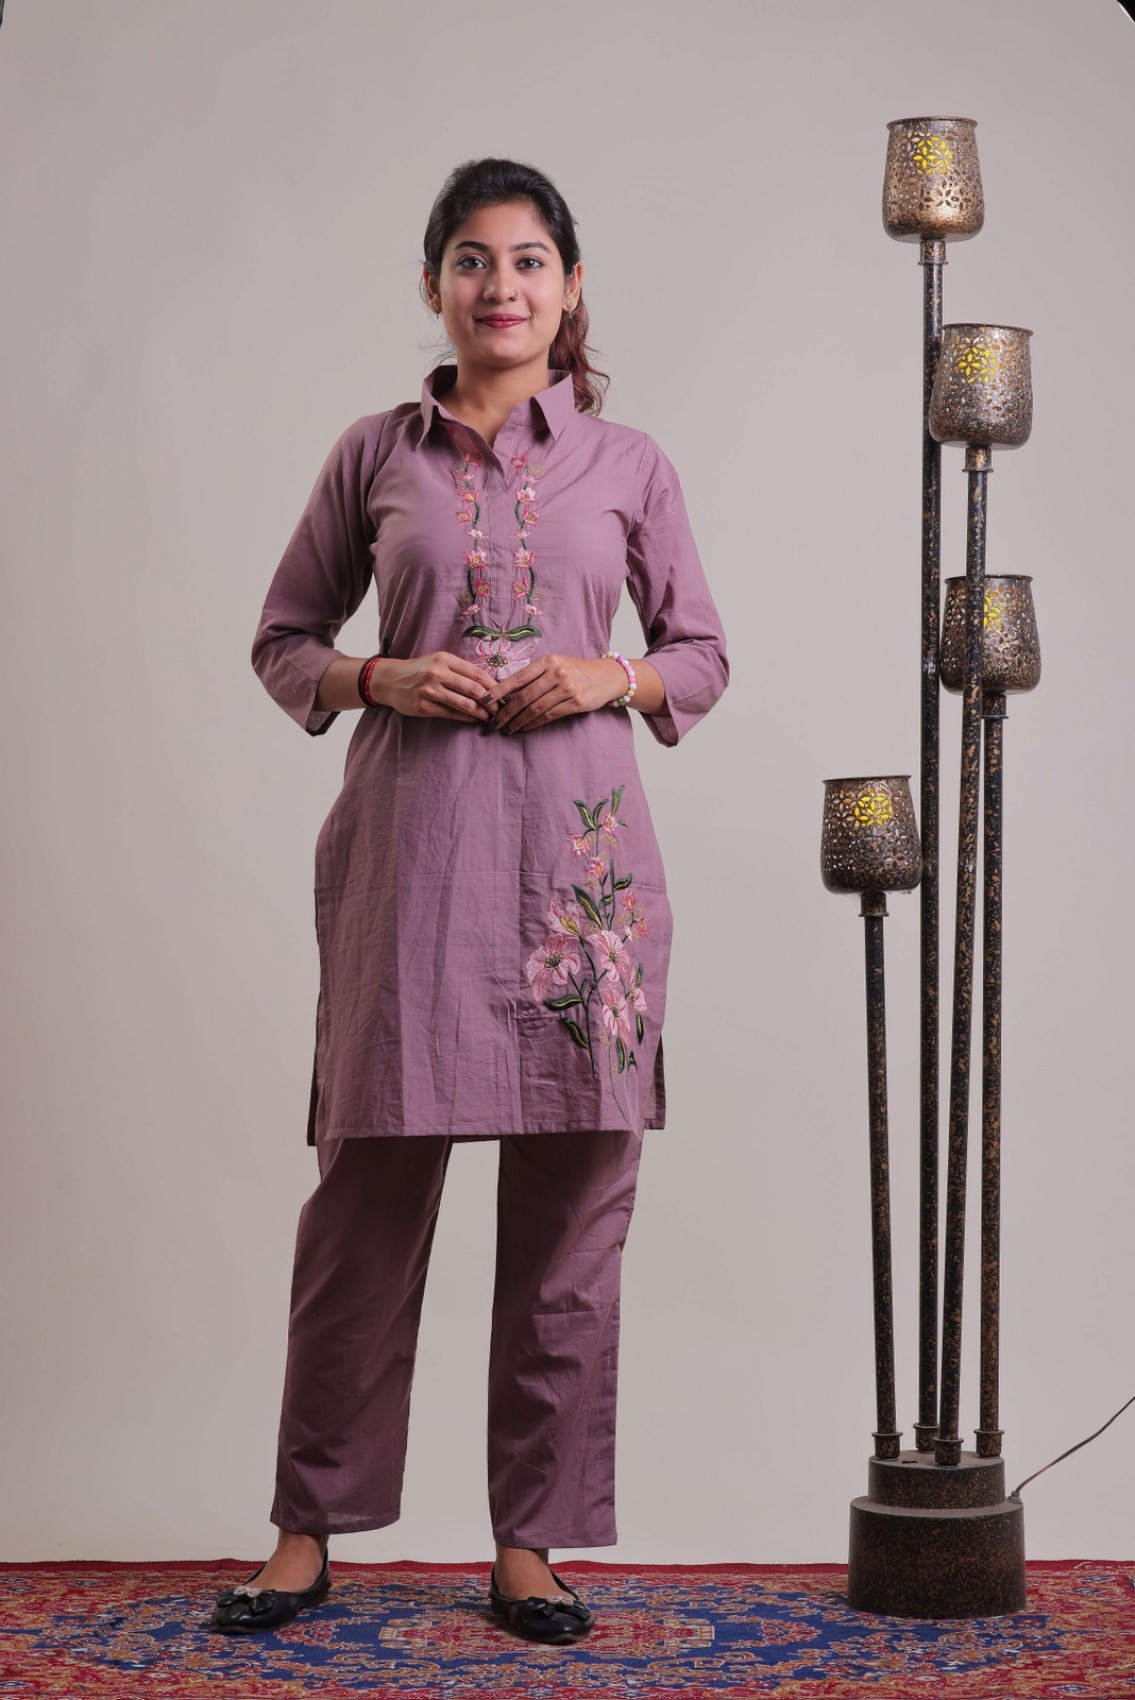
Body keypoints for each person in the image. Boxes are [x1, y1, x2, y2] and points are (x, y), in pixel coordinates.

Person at [212, 157, 729, 1646]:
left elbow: (699, 653)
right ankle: (305, 1531)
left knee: (571, 1227)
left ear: (569, 288)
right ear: (436, 284)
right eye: (472, 260)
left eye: (528, 260)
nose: (501, 286)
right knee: (363, 1214)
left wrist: (606, 673)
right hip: (415, 866)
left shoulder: (628, 464)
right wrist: (378, 674)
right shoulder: (375, 453)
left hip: (581, 882)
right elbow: (284, 636)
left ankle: (530, 1547)